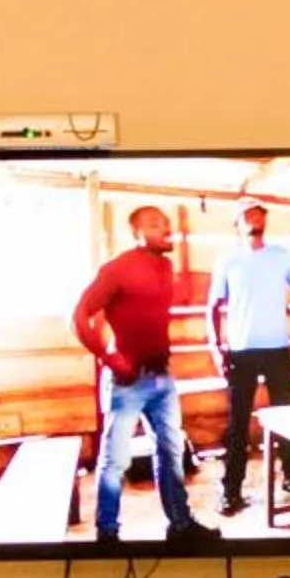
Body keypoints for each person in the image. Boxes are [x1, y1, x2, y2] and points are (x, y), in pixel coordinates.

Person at [72, 206, 214, 545]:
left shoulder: (164, 266)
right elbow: (78, 315)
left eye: (166, 223)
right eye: (155, 224)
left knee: (171, 453)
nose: (166, 228)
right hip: (127, 381)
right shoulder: (118, 269)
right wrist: (109, 359)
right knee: (115, 461)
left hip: (162, 377)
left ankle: (180, 526)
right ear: (136, 233)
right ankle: (107, 535)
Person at [205, 203, 290, 514]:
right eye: (248, 214)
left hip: (278, 350)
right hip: (241, 352)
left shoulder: (283, 256)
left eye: (260, 214)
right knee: (238, 422)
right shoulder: (228, 260)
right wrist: (215, 347)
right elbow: (212, 307)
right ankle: (231, 490)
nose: (256, 218)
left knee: (287, 417)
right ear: (236, 223)